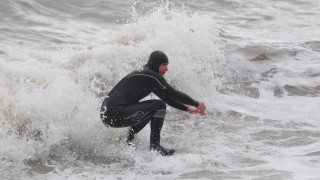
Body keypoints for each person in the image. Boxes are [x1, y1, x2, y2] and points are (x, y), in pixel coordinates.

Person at [100, 51, 206, 156]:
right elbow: (174, 93)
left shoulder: (147, 76)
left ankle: (128, 140)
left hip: (108, 115)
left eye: (167, 65)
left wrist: (186, 109)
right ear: (156, 64)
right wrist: (196, 103)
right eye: (164, 65)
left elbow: (167, 98)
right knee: (159, 106)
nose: (166, 69)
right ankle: (155, 147)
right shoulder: (152, 76)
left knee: (153, 108)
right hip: (115, 113)